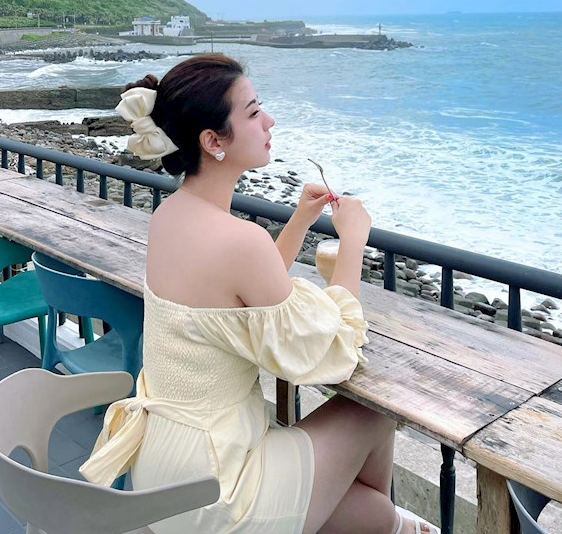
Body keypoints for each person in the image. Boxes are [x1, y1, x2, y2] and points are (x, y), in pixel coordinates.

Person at [80, 54, 438, 534]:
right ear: (213, 141)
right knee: (371, 414)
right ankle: (387, 525)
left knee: (364, 508)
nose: (269, 121)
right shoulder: (238, 241)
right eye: (252, 112)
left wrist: (300, 220)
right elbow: (331, 349)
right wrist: (354, 241)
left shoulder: (170, 214)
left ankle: (383, 524)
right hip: (214, 490)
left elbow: (241, 298)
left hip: (161, 466)